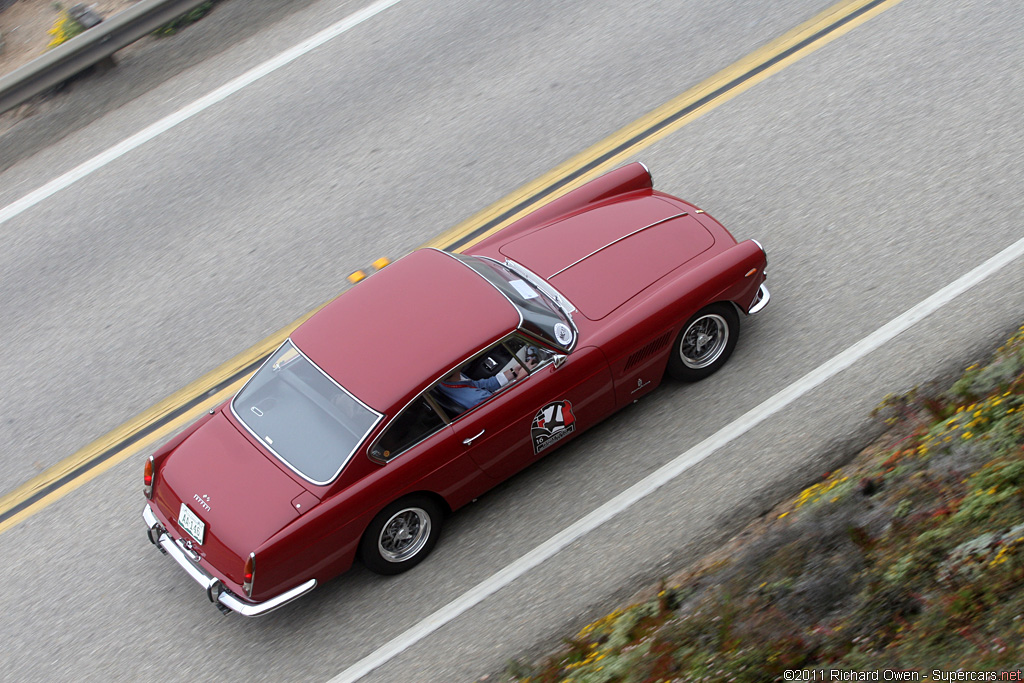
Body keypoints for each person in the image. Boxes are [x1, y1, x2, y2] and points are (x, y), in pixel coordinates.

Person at [436, 350, 540, 412]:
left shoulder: (445, 380)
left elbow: (479, 385)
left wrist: (513, 371)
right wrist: (520, 381)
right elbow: (505, 405)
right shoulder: (477, 399)